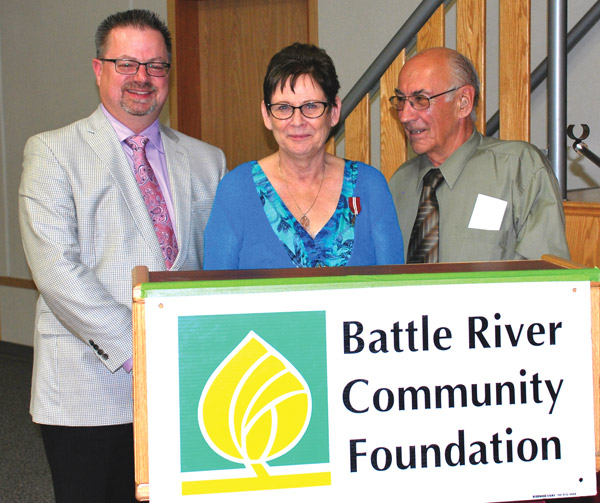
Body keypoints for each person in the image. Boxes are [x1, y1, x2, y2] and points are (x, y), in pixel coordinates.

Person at [18, 9, 226, 503]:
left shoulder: (206, 159)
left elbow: (212, 266)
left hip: (183, 386)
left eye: (155, 66)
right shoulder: (52, 152)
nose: (142, 78)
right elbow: (56, 270)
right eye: (126, 63)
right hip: (88, 390)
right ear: (98, 69)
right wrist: (141, 350)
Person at [203, 42, 403, 269]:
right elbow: (215, 294)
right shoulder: (236, 190)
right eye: (283, 108)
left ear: (334, 111)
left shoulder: (370, 186)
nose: (297, 121)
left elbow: (394, 292)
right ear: (266, 115)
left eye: (311, 106)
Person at [388, 47, 570, 263]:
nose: (405, 116)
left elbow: (548, 279)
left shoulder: (518, 169)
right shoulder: (400, 183)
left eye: (420, 99)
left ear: (463, 102)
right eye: (401, 100)